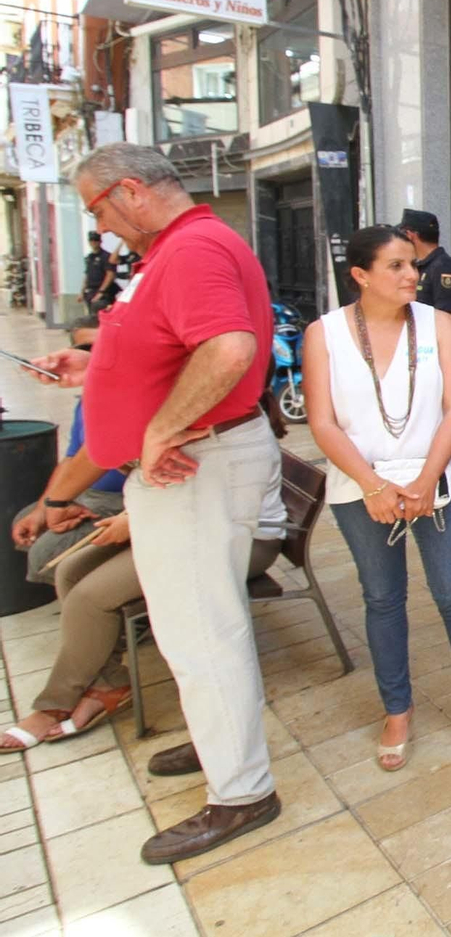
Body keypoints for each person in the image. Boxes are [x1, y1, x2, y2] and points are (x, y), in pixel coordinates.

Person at [29, 142, 285, 865]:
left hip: (197, 468)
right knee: (192, 629)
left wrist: (160, 430)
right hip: (189, 469)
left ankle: (241, 791)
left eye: (97, 208)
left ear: (131, 191)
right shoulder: (175, 249)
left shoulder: (193, 248)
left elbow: (228, 349)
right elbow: (167, 351)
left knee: (202, 632)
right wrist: (95, 367)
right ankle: (221, 747)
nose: (101, 225)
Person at [302, 225, 451, 772]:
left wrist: (428, 479)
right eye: (396, 266)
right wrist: (373, 485)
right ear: (360, 275)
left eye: (414, 264)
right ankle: (397, 709)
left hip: (438, 480)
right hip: (360, 487)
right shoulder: (324, 334)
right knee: (383, 599)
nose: (413, 274)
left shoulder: (439, 324)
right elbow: (322, 421)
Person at [2, 398, 288, 753]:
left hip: (231, 535)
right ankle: (107, 683)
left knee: (90, 598)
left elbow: (206, 495)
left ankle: (53, 705)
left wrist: (132, 517)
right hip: (178, 520)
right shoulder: (164, 408)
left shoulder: (208, 417)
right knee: (71, 571)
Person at [11, 318, 125, 587]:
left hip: (119, 500)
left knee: (47, 552)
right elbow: (72, 458)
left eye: (102, 348)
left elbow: (99, 453)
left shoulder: (127, 395)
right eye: (85, 349)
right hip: (87, 494)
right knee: (27, 520)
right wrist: (44, 507)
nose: (93, 356)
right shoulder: (86, 400)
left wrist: (57, 503)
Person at [400, 208, 451, 358]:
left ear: (410, 235)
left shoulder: (444, 268)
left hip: (439, 354)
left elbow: (450, 319)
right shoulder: (423, 267)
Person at [81, 231, 115, 312]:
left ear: (100, 241)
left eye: (95, 240)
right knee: (92, 315)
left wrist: (101, 291)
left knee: (101, 313)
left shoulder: (106, 256)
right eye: (91, 240)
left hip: (103, 292)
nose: (93, 242)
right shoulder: (89, 257)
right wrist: (82, 291)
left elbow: (110, 275)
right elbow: (87, 275)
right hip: (90, 291)